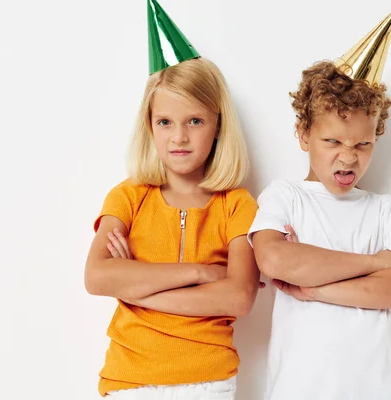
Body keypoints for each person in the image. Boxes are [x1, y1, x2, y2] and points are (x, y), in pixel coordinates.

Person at [249, 8, 391, 400]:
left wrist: (317, 289)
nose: (349, 158)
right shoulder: (285, 197)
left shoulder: (388, 210)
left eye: (362, 144)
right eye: (333, 142)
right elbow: (277, 262)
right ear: (303, 134)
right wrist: (376, 264)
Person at [84, 1, 260, 398]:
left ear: (217, 126)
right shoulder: (128, 197)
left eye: (194, 121)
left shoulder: (236, 205)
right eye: (165, 122)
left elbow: (239, 296)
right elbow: (97, 278)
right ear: (150, 126)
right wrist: (200, 272)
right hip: (130, 380)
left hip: (209, 381)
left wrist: (136, 285)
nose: (179, 137)